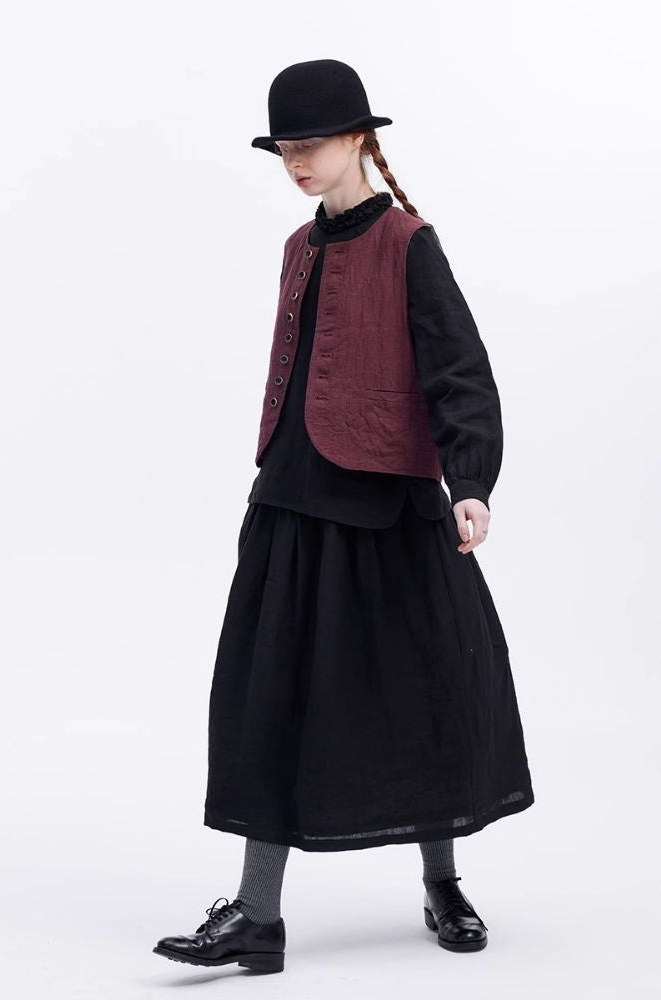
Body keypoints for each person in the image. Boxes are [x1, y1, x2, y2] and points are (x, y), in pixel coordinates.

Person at [153, 59, 535, 973]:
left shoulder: (410, 242)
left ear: (360, 138)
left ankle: (442, 885)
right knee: (269, 698)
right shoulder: (299, 245)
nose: (295, 162)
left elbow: (460, 371)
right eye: (283, 148)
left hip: (386, 504)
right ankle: (257, 917)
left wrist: (471, 481)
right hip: (291, 498)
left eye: (311, 144)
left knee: (425, 692)